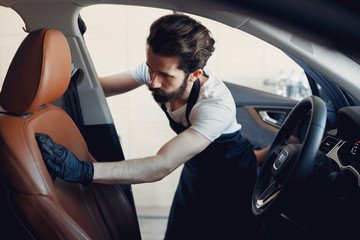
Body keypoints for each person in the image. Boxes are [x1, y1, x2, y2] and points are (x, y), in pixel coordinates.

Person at [36, 13, 269, 240]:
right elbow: (97, 91)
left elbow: (161, 165)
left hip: (232, 178)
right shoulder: (158, 68)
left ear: (194, 75)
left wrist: (83, 171)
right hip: (196, 171)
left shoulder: (215, 106)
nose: (153, 81)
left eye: (165, 76)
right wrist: (69, 67)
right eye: (150, 68)